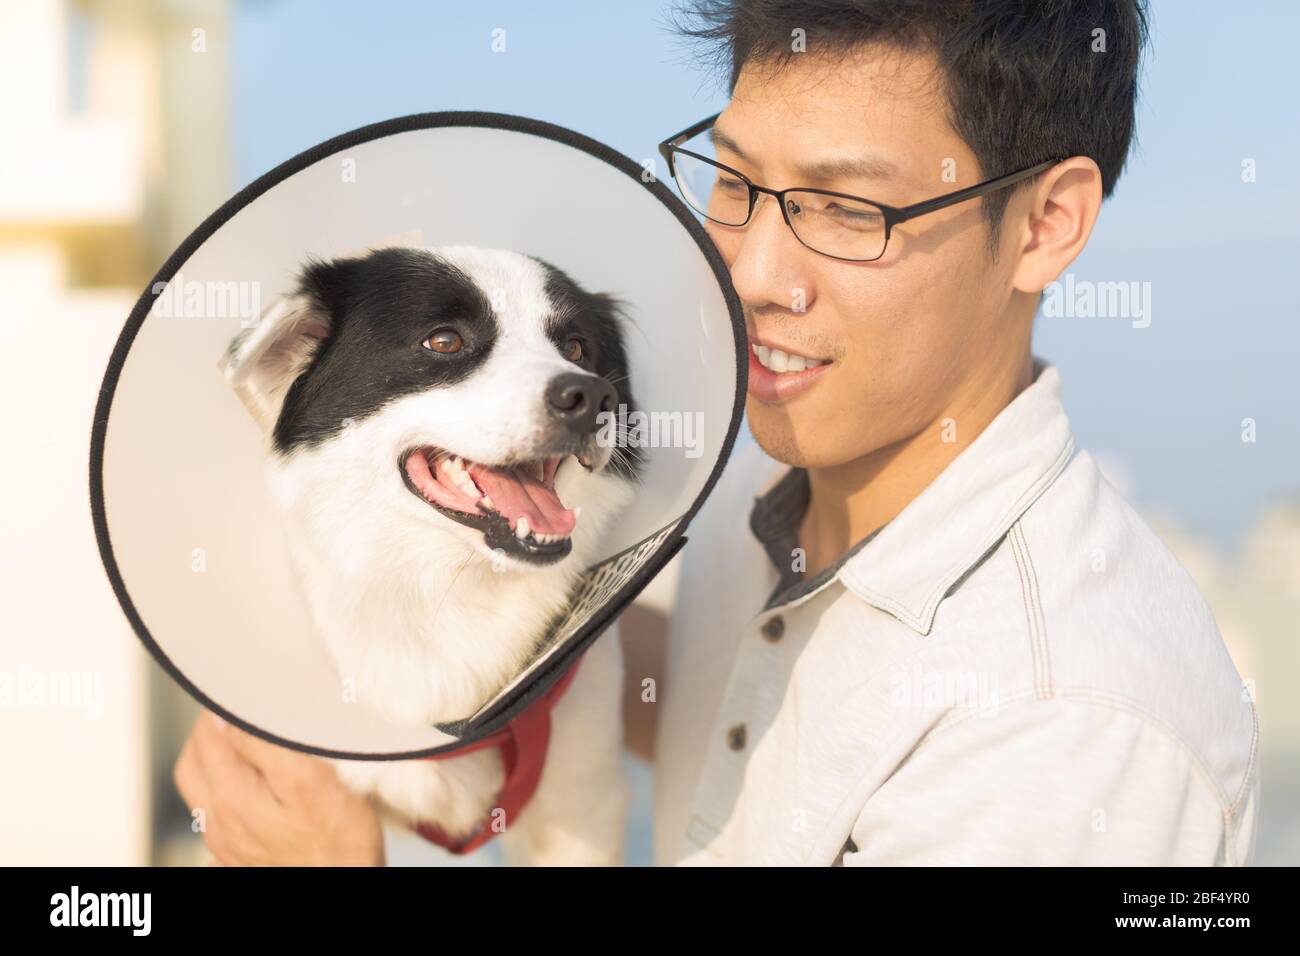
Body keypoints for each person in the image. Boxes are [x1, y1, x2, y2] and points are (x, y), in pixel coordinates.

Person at [176, 0, 1259, 866]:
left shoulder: (1062, 731)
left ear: (1044, 223)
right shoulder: (767, 480)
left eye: (847, 211)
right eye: (735, 184)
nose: (751, 275)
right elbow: (721, 692)